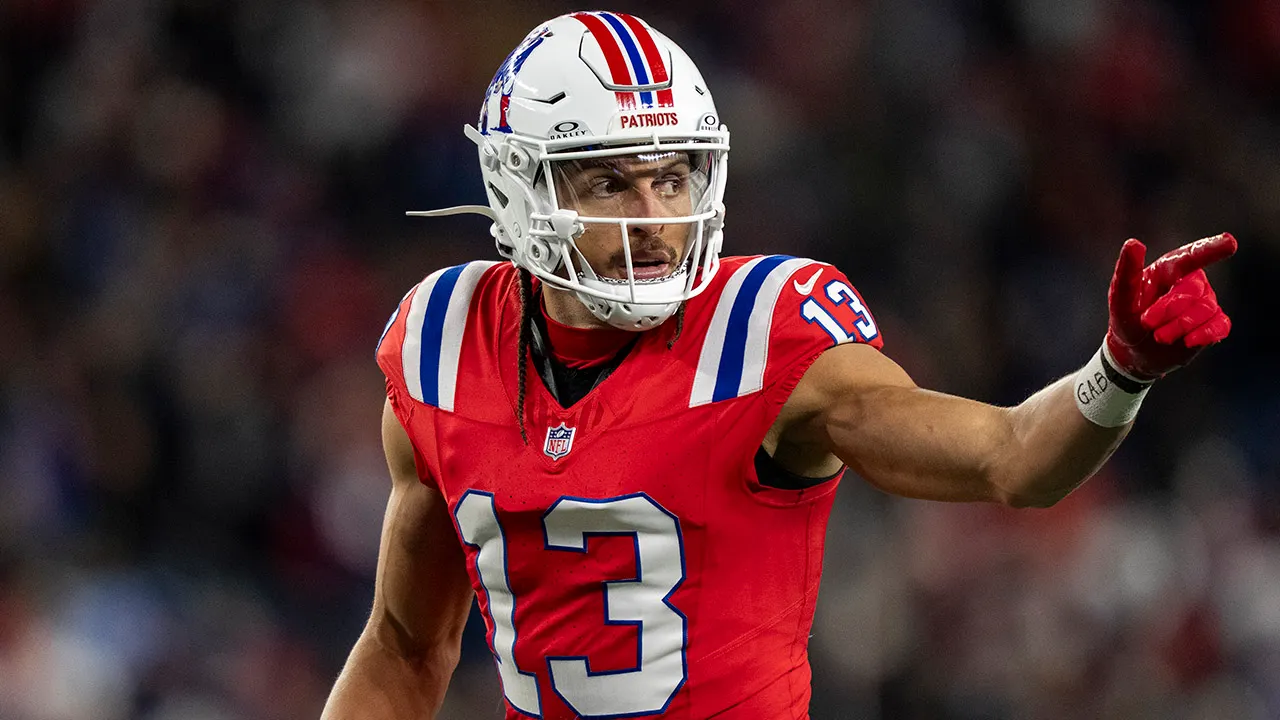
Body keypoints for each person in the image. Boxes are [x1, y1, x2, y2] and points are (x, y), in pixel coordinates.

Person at [321, 11, 1236, 720]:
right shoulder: (442, 343)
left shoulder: (766, 333)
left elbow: (1012, 460)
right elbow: (405, 648)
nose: (654, 218)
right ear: (517, 190)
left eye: (672, 178)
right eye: (609, 182)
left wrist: (1119, 369)